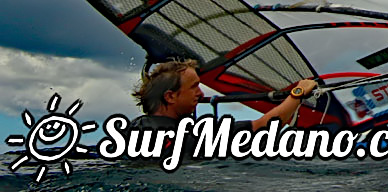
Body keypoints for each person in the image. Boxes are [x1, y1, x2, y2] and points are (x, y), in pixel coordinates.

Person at [129, 59, 319, 157]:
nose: (201, 94)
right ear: (170, 96)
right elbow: (266, 126)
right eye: (194, 86)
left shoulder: (133, 129)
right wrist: (298, 93)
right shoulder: (189, 137)